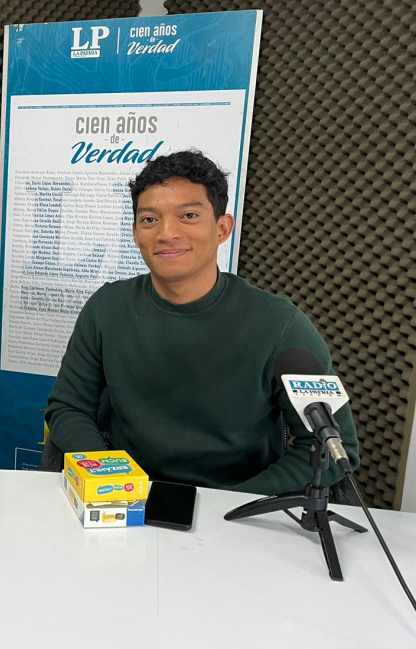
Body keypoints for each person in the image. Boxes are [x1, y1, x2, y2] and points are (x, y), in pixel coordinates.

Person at [44, 150, 359, 495]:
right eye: (149, 220)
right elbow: (69, 408)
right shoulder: (107, 307)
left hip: (236, 505)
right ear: (135, 233)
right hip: (127, 494)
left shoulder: (282, 325)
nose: (167, 233)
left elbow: (333, 447)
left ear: (222, 228)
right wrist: (110, 481)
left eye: (189, 215)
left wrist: (230, 505)